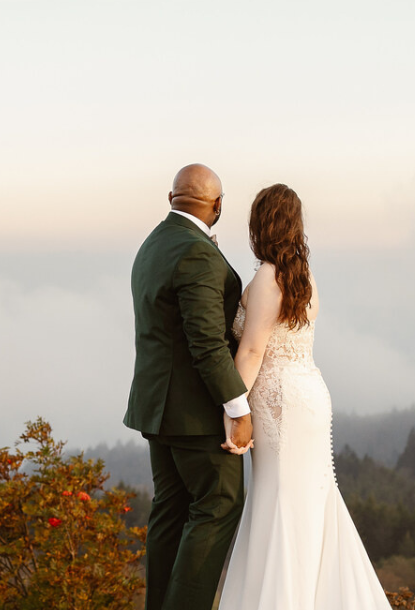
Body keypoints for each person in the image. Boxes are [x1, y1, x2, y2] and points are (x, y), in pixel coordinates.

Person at [216, 183, 392, 609]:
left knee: (280, 505)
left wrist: (231, 410)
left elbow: (253, 349)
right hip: (309, 394)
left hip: (279, 403)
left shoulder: (265, 278)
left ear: (260, 225)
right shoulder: (303, 276)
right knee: (309, 503)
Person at [124, 163, 255, 610]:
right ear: (217, 205)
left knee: (171, 513)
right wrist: (238, 407)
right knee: (218, 506)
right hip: (194, 414)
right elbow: (205, 342)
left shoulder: (153, 244)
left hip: (157, 411)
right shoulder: (196, 253)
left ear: (171, 198)